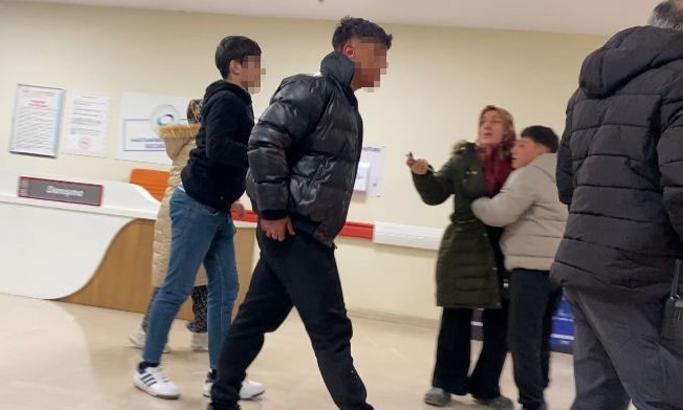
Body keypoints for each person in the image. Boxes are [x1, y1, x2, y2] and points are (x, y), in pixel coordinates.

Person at [553, 1, 683, 409]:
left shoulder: (590, 86)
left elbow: (567, 181)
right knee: (675, 400)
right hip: (646, 274)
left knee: (597, 398)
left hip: (584, 265)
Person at [208, 17, 392, 410]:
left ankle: (221, 398)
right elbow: (264, 143)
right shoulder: (311, 88)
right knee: (331, 329)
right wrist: (272, 210)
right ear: (350, 50)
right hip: (296, 229)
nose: (384, 65)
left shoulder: (345, 105)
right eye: (379, 54)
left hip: (301, 229)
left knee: (256, 319)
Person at [133, 35, 265, 400]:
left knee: (226, 291)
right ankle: (147, 367)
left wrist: (235, 194)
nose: (261, 70)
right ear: (235, 66)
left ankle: (220, 376)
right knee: (176, 288)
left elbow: (223, 154)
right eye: (255, 63)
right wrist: (260, 152)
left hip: (217, 209)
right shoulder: (225, 98)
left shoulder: (239, 100)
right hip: (195, 206)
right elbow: (218, 148)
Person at [408, 105, 516, 409]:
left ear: (508, 129)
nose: (487, 126)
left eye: (495, 121)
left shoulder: (517, 163)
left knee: (501, 325)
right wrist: (423, 175)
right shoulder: (462, 159)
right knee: (456, 319)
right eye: (483, 121)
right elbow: (435, 193)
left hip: (505, 247)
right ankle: (444, 384)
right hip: (465, 246)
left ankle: (487, 388)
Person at [471, 126, 567, 410]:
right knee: (542, 334)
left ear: (541, 149)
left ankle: (531, 401)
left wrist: (476, 202)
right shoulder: (565, 174)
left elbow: (499, 213)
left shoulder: (531, 174)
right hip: (557, 269)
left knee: (522, 337)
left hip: (529, 270)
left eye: (522, 144)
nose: (515, 150)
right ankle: (539, 388)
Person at [129, 99, 210, 354]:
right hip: (185, 212)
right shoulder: (203, 142)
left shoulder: (188, 140)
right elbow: (209, 177)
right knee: (173, 278)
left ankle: (203, 332)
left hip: (184, 210)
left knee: (200, 277)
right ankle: (148, 332)